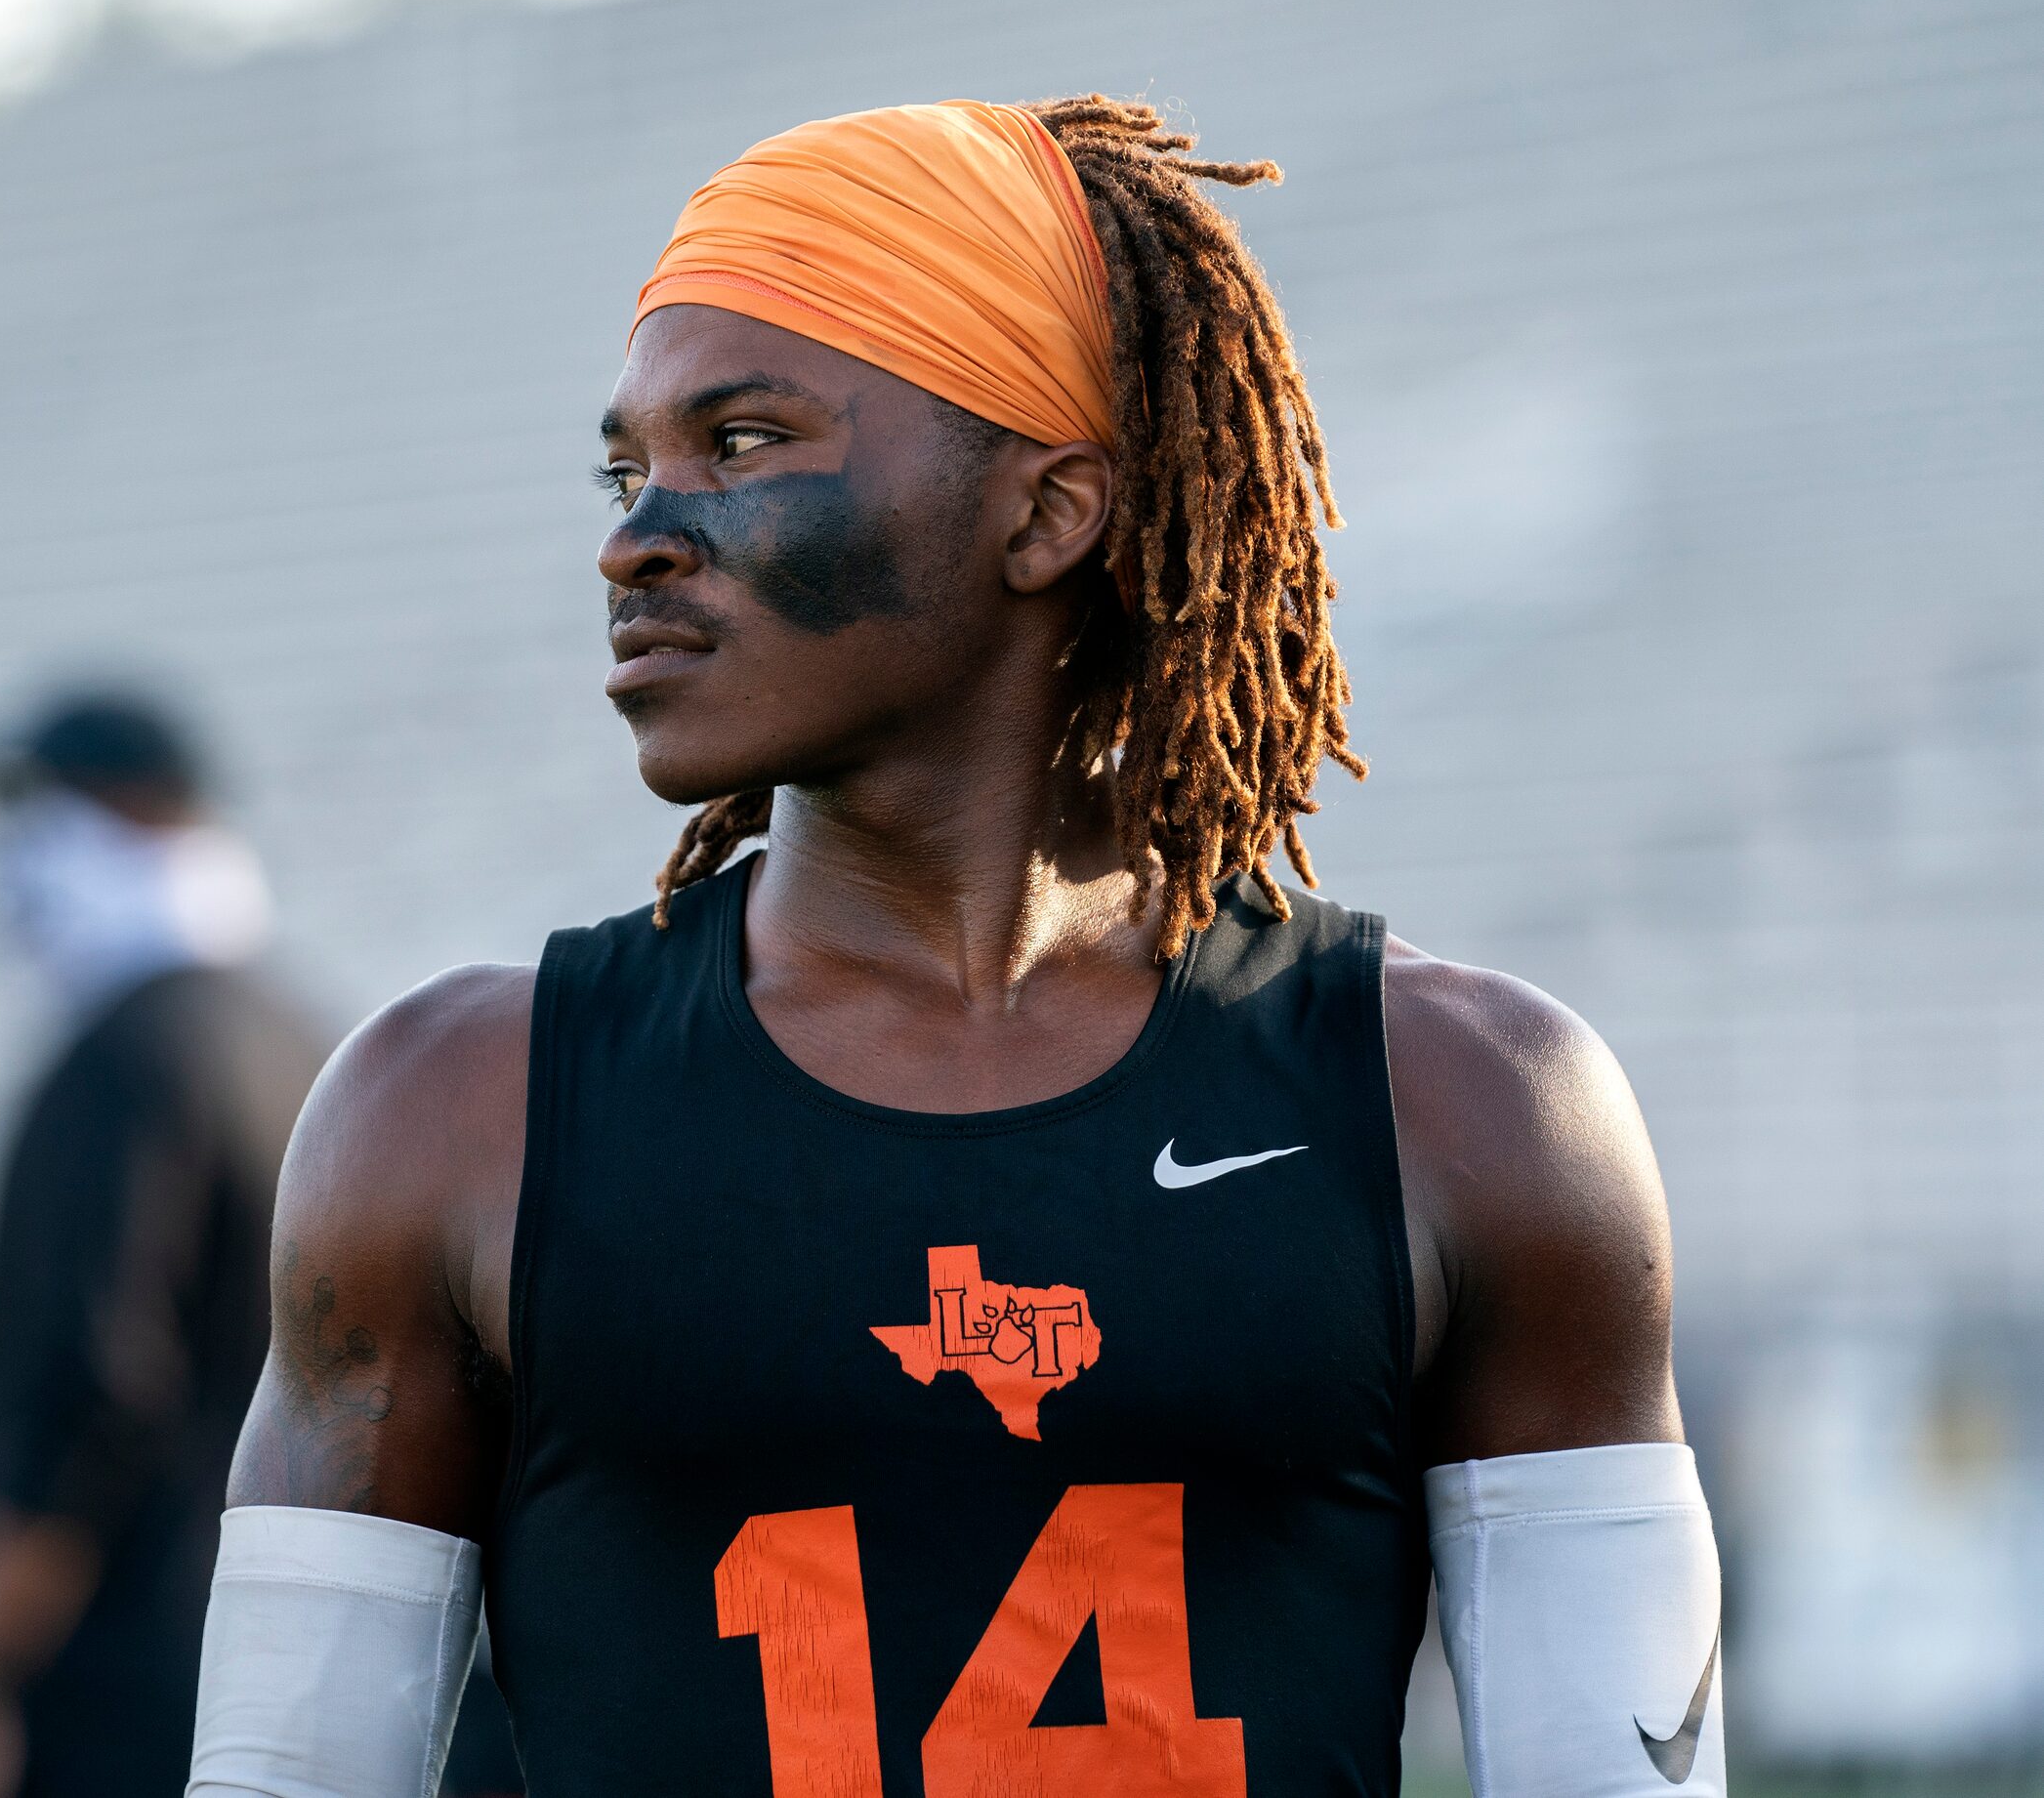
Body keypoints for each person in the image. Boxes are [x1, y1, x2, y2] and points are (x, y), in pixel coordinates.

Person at [187, 95, 1726, 1798]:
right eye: (630, 466)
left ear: (1045, 510)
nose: (636, 533)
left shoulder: (1470, 1103)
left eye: (747, 440)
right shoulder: (449, 1107)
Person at [0, 691, 332, 1798]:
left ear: (133, 815)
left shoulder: (124, 1059)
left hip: (119, 1691)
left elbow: (86, 1397)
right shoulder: (303, 1035)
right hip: (280, 1667)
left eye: (28, 807)